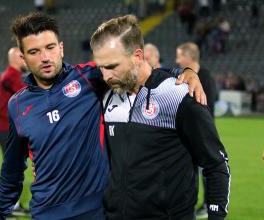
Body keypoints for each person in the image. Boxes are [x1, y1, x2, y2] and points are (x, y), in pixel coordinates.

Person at [0, 12, 206, 220]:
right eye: (34, 52)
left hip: (96, 210)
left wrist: (183, 73)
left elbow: (134, 67)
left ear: (61, 48)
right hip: (46, 212)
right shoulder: (18, 105)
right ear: (23, 57)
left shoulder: (88, 78)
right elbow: (12, 168)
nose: (45, 57)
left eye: (50, 47)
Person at [90, 14, 230, 220]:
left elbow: (216, 164)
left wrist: (215, 216)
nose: (105, 76)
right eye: (100, 67)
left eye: (112, 66)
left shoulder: (179, 95)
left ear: (138, 56)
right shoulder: (108, 93)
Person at [176, 42, 217, 219]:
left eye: (179, 55)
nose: (177, 60)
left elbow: (207, 107)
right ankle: (196, 205)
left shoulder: (205, 77)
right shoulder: (182, 76)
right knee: (192, 171)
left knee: (207, 169)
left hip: (202, 133)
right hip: (187, 134)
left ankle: (209, 205)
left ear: (188, 56)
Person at [0, 47, 29, 217]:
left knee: (15, 167)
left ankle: (13, 205)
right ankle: (9, 206)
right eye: (22, 57)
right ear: (16, 58)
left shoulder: (12, 75)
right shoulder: (11, 76)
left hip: (9, 128)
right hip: (6, 129)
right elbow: (27, 96)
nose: (26, 60)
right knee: (12, 168)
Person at [176, 42, 217, 116]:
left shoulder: (207, 78)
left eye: (179, 57)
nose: (177, 61)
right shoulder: (179, 76)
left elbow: (209, 108)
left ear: (188, 57)